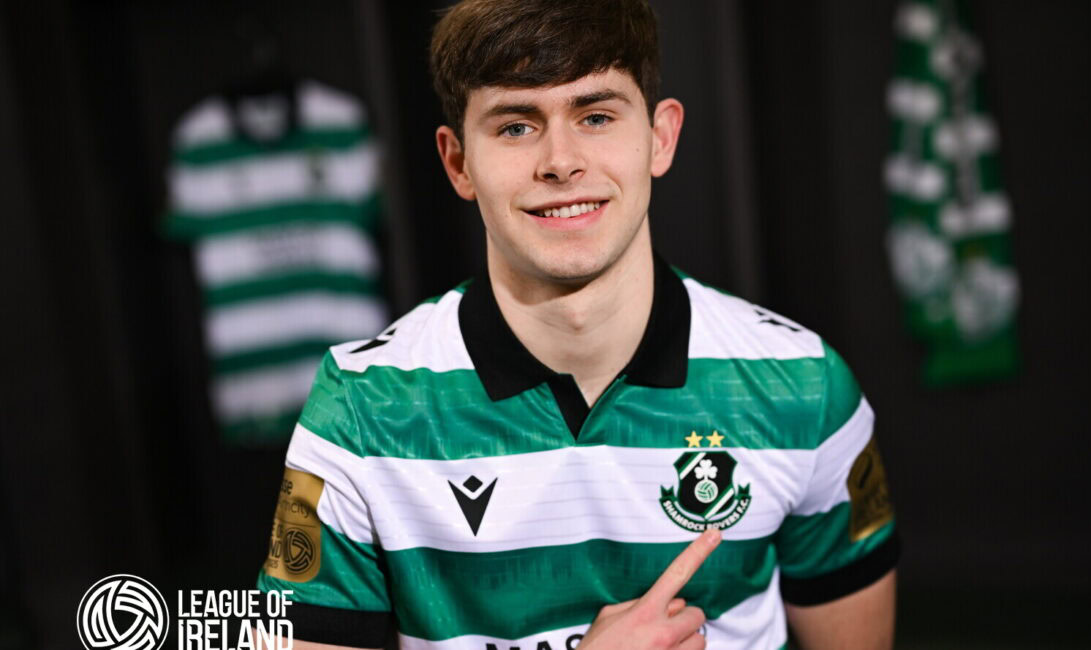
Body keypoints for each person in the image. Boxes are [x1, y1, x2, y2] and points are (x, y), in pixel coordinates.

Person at [256, 1, 899, 648]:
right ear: (457, 164)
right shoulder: (361, 409)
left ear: (661, 137)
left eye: (595, 116)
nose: (560, 162)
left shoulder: (805, 386)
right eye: (515, 126)